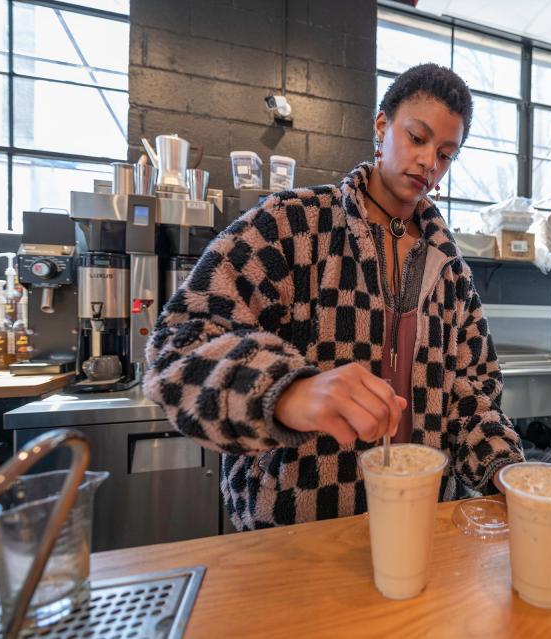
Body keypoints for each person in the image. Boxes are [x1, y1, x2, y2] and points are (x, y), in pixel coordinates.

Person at [143, 63, 524, 529]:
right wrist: (287, 392)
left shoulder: (451, 272)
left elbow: (473, 396)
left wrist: (506, 471)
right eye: (418, 137)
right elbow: (178, 345)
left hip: (421, 527)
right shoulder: (292, 225)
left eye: (446, 154)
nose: (429, 162)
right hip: (296, 532)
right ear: (382, 127)